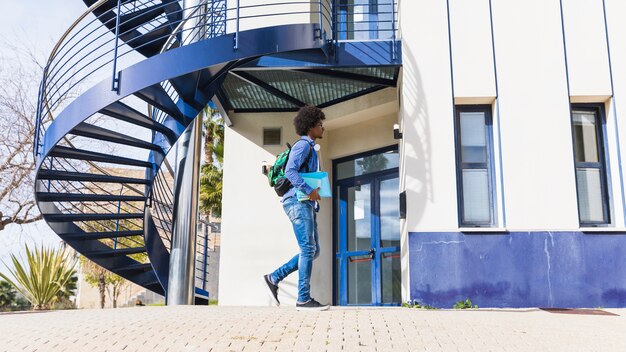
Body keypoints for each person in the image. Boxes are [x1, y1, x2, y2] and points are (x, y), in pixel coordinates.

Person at [264, 105, 329, 311]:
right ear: (310, 126)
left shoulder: (310, 147)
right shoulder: (303, 146)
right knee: (308, 249)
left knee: (313, 250)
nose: (323, 128)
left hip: (306, 203)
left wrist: (314, 197)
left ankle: (274, 278)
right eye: (320, 124)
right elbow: (290, 171)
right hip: (297, 202)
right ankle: (303, 298)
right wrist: (309, 190)